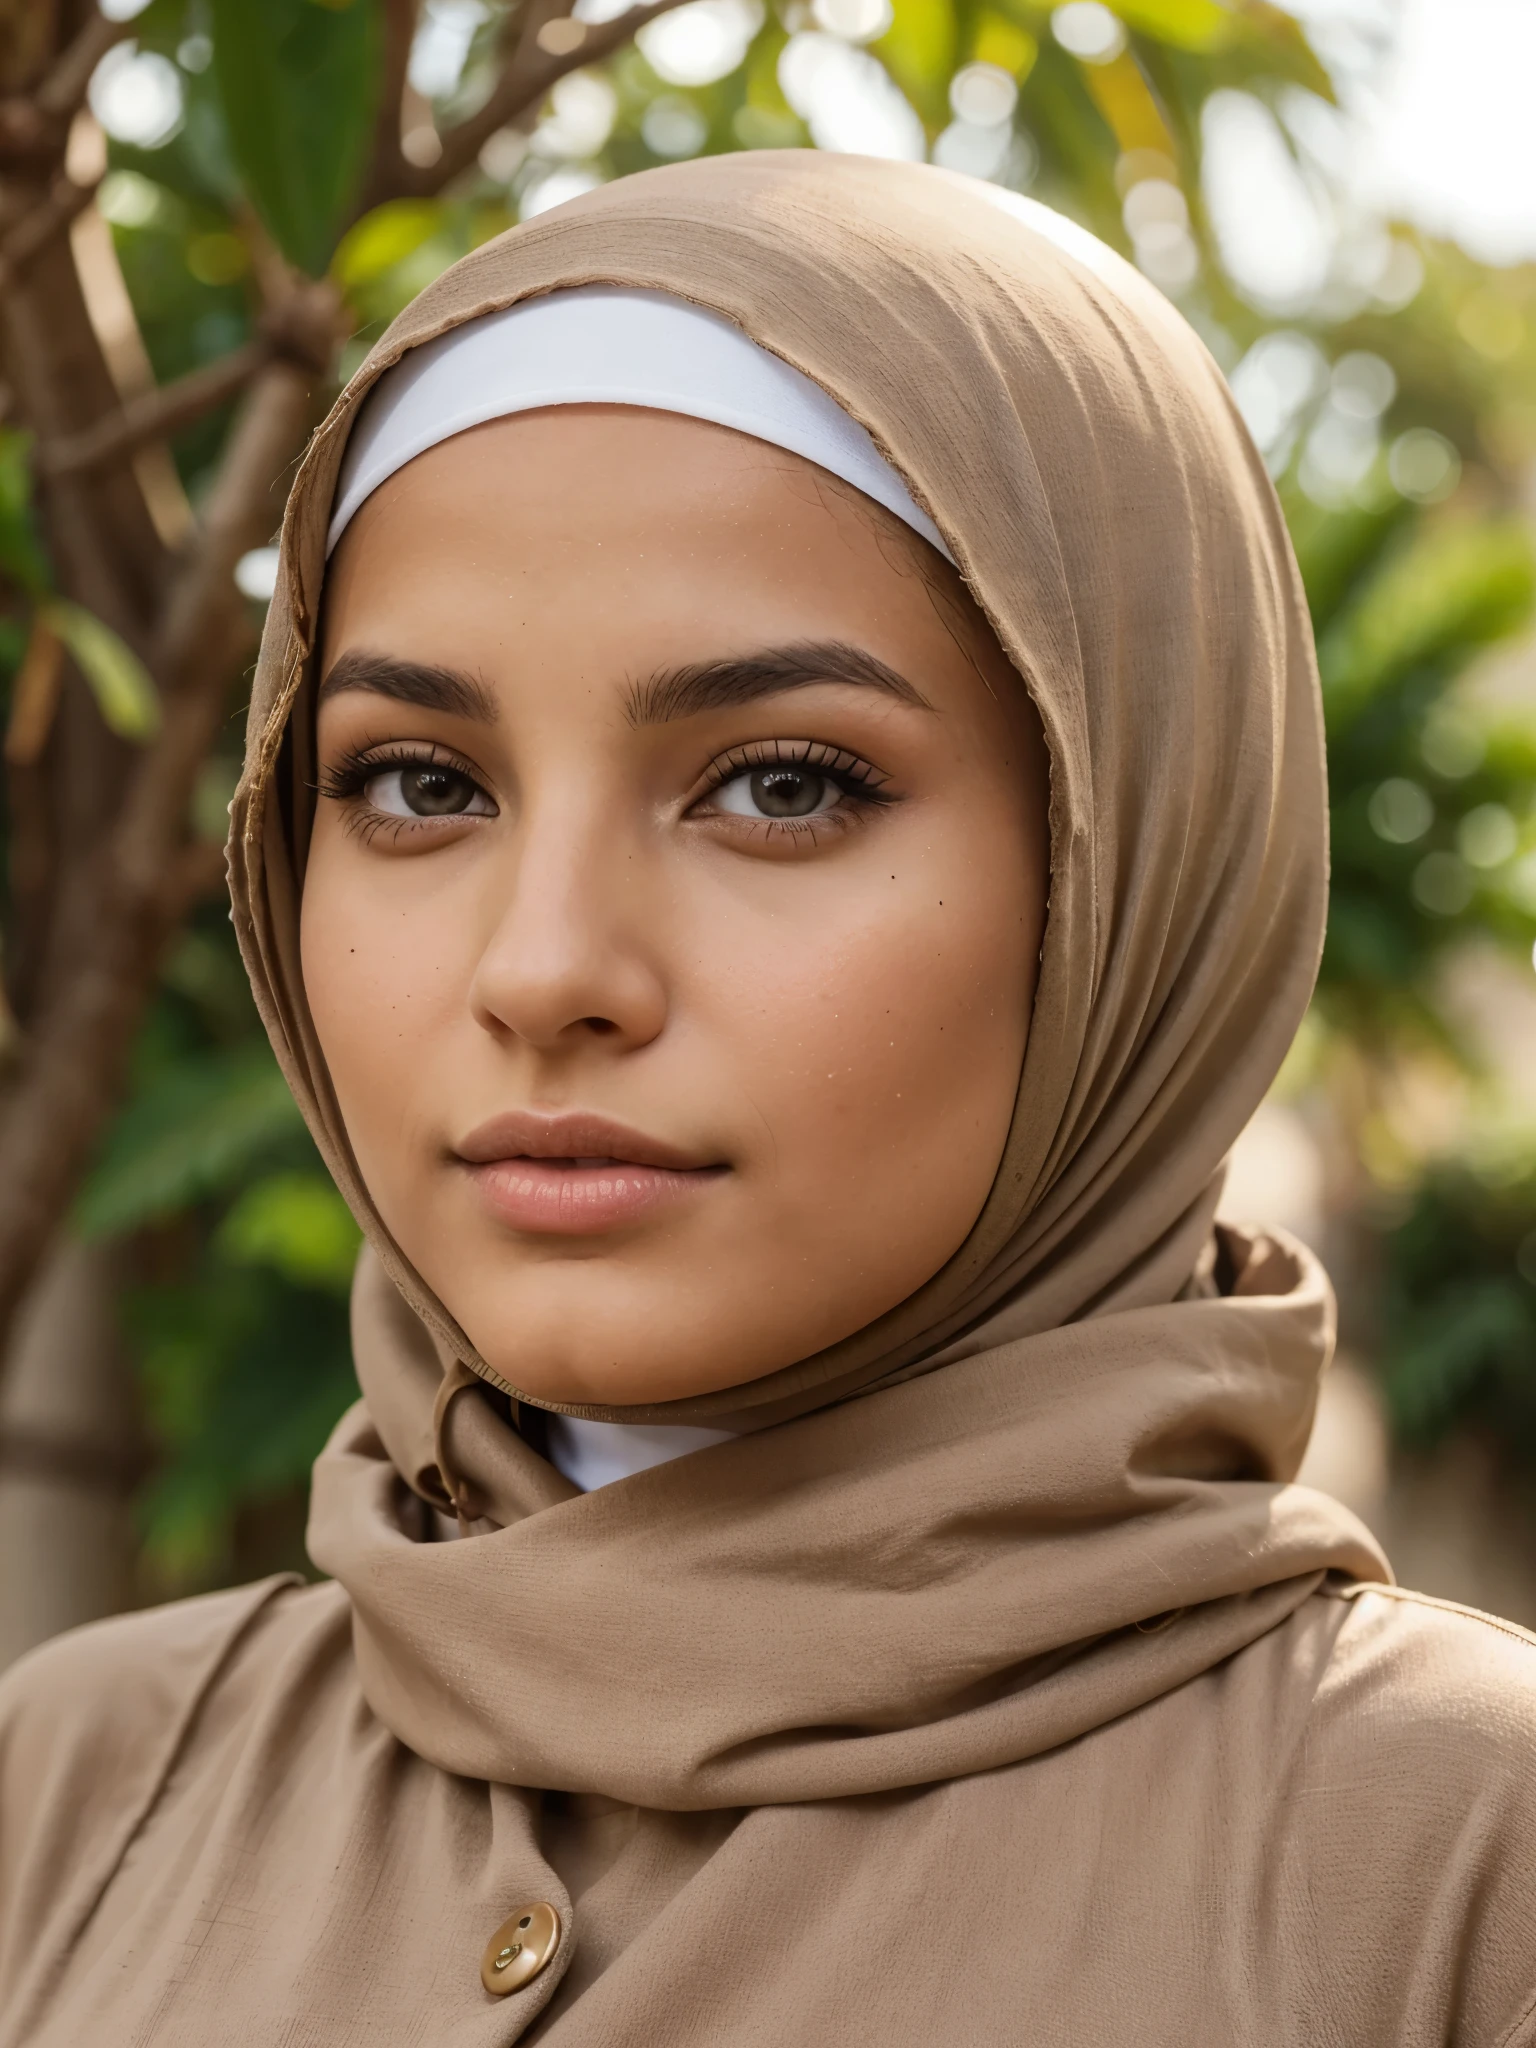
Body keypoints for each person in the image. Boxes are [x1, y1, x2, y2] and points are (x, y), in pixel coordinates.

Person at [3, 151, 1535, 2048]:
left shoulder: (1453, 1869)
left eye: (785, 784)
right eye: (417, 784)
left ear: (1142, 874)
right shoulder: (74, 1790)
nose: (545, 969)